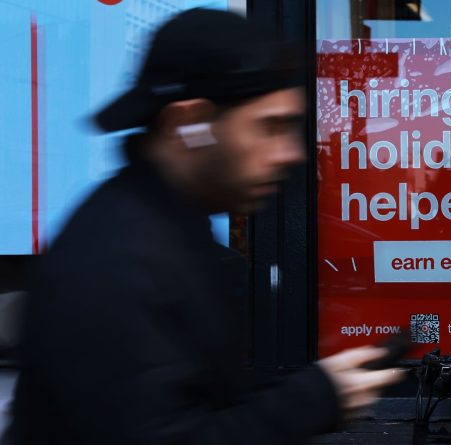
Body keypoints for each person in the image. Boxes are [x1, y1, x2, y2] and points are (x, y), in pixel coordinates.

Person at [4, 8, 401, 445]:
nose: (292, 153)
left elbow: (202, 399)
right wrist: (312, 399)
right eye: (270, 127)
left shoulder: (172, 234)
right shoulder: (116, 265)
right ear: (188, 124)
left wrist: (317, 388)